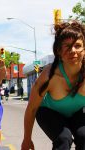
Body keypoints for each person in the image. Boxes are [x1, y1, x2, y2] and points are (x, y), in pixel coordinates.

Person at [21, 20, 85, 150]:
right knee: (63, 138)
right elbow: (32, 109)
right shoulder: (49, 76)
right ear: (59, 51)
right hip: (49, 113)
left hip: (77, 113)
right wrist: (27, 139)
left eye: (77, 45)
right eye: (67, 46)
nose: (73, 50)